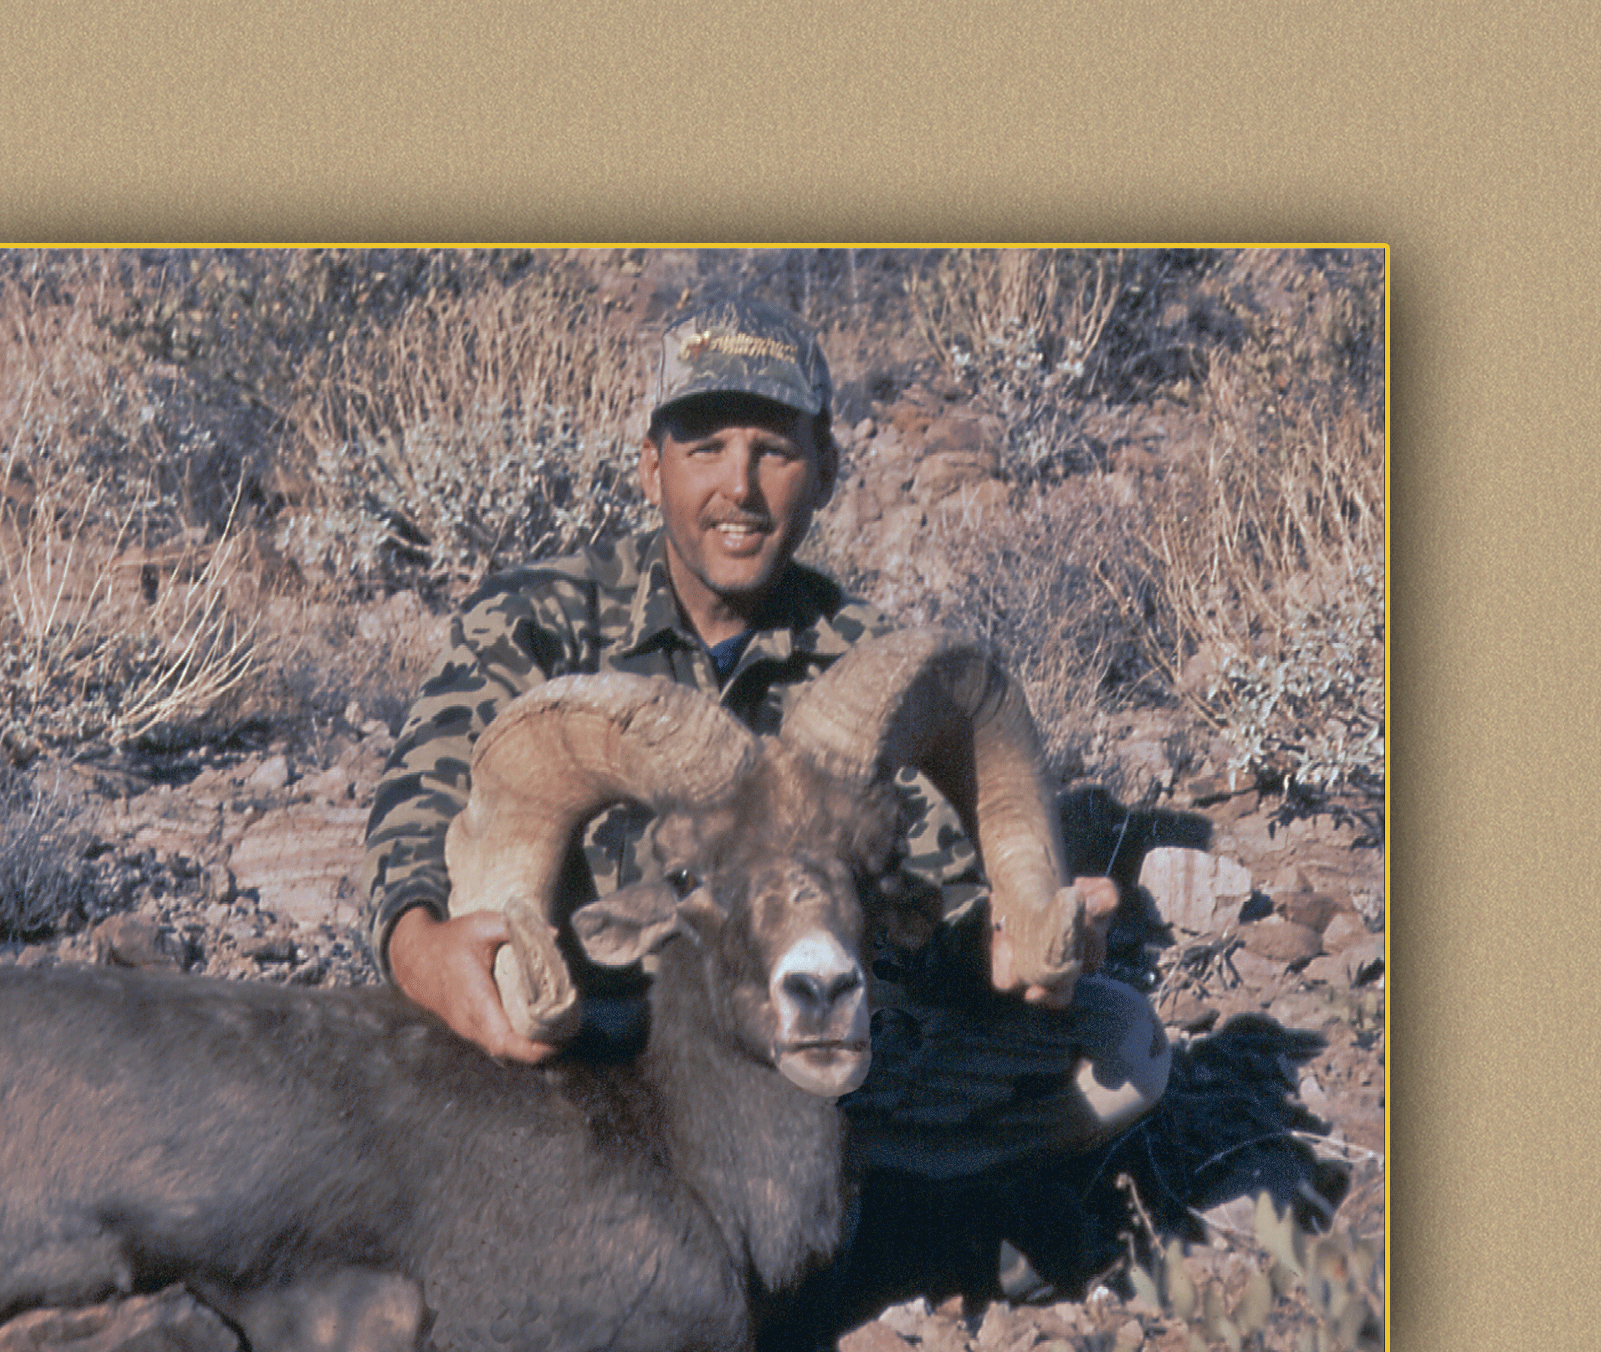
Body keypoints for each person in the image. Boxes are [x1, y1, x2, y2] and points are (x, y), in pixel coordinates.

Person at [362, 296, 1134, 1087]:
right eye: (704, 449)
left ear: (826, 470)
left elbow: (931, 879)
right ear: (650, 468)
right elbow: (424, 811)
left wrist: (1005, 946)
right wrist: (420, 946)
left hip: (789, 1032)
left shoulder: (867, 665)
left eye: (773, 451)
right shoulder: (533, 620)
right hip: (590, 1044)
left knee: (1119, 1045)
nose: (739, 487)